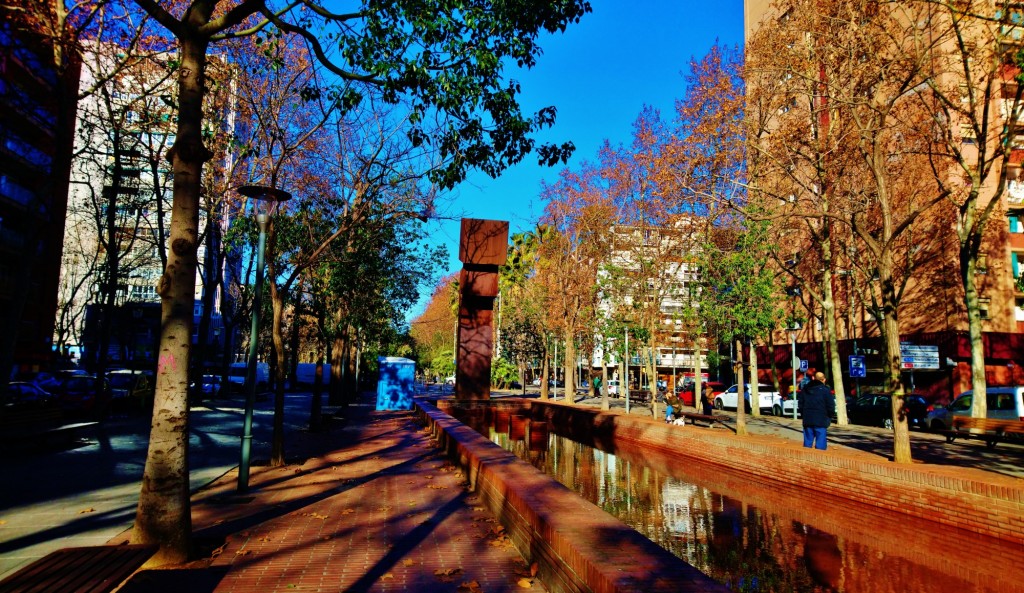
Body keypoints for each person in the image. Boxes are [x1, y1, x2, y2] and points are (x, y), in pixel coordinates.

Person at [798, 371, 836, 450]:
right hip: (821, 419)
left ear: (813, 378)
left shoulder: (805, 389)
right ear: (824, 380)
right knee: (820, 444)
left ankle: (805, 459)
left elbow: (800, 404)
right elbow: (830, 406)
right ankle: (819, 459)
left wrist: (803, 414)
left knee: (807, 443)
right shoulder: (825, 390)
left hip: (807, 419)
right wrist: (830, 416)